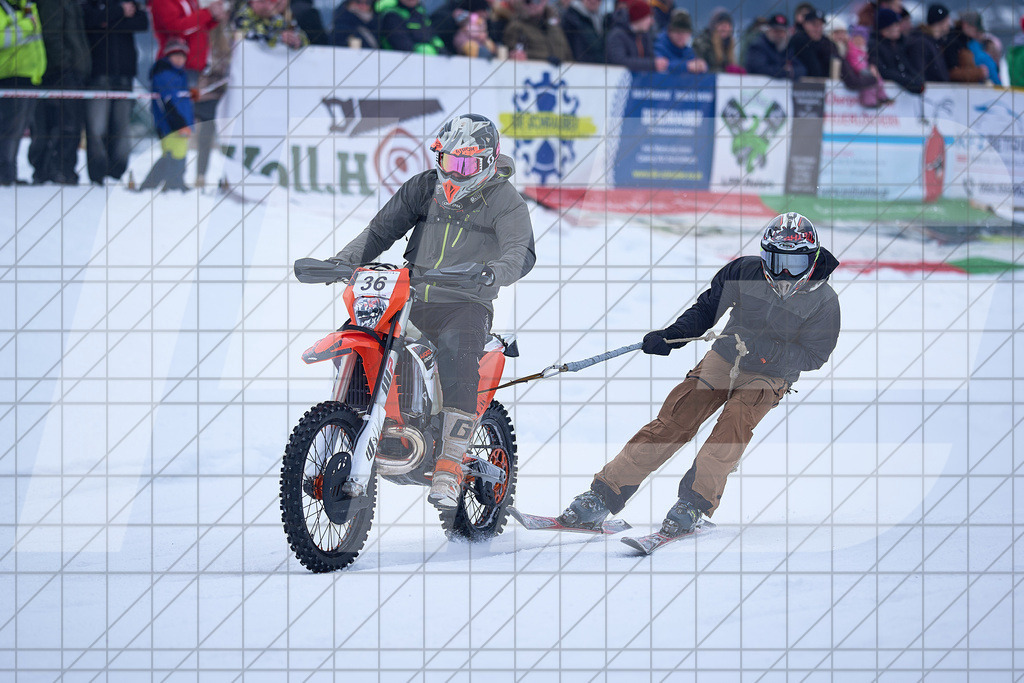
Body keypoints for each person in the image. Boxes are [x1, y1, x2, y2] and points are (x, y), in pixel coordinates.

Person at [558, 213, 841, 536]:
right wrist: (672, 335)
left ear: (812, 259)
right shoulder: (743, 272)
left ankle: (693, 503)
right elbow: (707, 310)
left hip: (771, 376)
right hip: (724, 357)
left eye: (794, 263)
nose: (785, 272)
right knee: (674, 421)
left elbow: (815, 355)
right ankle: (602, 495)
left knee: (731, 426)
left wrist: (768, 351)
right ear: (764, 257)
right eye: (777, 262)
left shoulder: (824, 302)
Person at [329, 114, 536, 510]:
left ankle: (449, 465)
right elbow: (379, 231)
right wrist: (343, 262)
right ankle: (354, 419)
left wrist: (493, 272)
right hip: (411, 293)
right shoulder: (424, 187)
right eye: (447, 161)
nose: (454, 172)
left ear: (488, 162)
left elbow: (520, 252)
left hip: (466, 300)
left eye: (466, 164)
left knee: (458, 355)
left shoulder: (505, 201)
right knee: (361, 333)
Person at [150, 0, 226, 187]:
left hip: (191, 69)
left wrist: (213, 18)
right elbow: (177, 27)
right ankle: (162, 182)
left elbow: (196, 25)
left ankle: (172, 179)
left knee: (183, 130)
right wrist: (208, 13)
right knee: (176, 126)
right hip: (175, 69)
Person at [81, 0, 148, 186]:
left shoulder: (129, 2)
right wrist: (120, 12)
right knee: (96, 128)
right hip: (98, 72)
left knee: (121, 127)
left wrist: (108, 19)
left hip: (125, 74)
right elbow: (89, 20)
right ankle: (98, 173)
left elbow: (142, 23)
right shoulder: (92, 4)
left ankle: (118, 173)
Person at [28, 0, 90, 185]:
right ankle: (54, 169)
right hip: (60, 71)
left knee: (68, 123)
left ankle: (61, 169)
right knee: (62, 123)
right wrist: (65, 64)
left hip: (71, 69)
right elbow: (51, 33)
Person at [0, 0, 46, 186]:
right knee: (9, 128)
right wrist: (27, 25)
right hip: (10, 75)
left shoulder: (27, 5)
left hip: (30, 75)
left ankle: (9, 171)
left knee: (18, 129)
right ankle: (5, 173)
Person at [138, 39, 192, 192]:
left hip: (181, 122)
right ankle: (161, 184)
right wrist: (179, 123)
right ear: (168, 56)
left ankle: (174, 182)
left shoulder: (179, 74)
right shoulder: (164, 74)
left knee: (177, 153)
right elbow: (167, 102)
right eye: (176, 55)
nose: (180, 59)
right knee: (172, 155)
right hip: (171, 123)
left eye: (183, 56)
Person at [870, 8, 924, 93]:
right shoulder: (874, 46)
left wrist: (918, 79)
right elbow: (883, 71)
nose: (898, 28)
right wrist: (908, 82)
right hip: (886, 94)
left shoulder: (898, 44)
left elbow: (906, 66)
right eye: (895, 25)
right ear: (885, 28)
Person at [502, 0, 573, 64]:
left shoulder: (555, 28)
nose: (532, 4)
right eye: (527, 1)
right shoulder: (515, 27)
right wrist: (546, 59)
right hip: (531, 75)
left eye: (536, 1)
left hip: (561, 76)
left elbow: (568, 56)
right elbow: (513, 57)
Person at [604, 0, 667, 72]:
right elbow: (619, 61)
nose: (652, 22)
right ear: (640, 18)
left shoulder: (644, 35)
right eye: (649, 17)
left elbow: (650, 57)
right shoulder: (617, 35)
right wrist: (652, 64)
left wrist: (658, 63)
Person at [745, 13, 805, 80]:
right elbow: (760, 69)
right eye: (776, 31)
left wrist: (791, 71)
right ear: (768, 31)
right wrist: (785, 72)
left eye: (782, 31)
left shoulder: (787, 48)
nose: (779, 35)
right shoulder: (757, 47)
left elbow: (801, 69)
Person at [843, 24, 890, 106]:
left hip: (865, 70)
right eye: (857, 38)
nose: (859, 41)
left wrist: (871, 68)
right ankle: (869, 101)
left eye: (862, 39)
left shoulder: (863, 50)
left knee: (878, 79)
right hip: (858, 72)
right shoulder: (852, 50)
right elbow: (854, 62)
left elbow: (866, 61)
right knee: (869, 84)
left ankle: (882, 96)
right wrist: (862, 70)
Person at [904, 3, 951, 83]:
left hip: (937, 91)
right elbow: (919, 72)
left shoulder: (934, 43)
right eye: (947, 20)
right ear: (941, 21)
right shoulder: (921, 43)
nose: (949, 24)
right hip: (930, 93)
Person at [377, 0, 445, 54]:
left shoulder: (421, 14)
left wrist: (441, 51)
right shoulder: (391, 16)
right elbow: (403, 45)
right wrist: (426, 50)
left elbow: (434, 37)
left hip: (425, 64)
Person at [234, 0, 310, 48]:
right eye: (261, 2)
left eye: (271, 1)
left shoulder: (278, 17)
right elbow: (250, 36)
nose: (267, 6)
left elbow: (304, 37)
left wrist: (297, 40)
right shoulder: (242, 16)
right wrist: (280, 38)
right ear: (251, 2)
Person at [942, 12, 990, 83]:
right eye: (976, 29)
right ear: (965, 25)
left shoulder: (964, 41)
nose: (977, 33)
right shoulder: (953, 42)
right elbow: (951, 72)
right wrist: (979, 72)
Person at [789, 7, 836, 78]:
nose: (818, 29)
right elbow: (814, 70)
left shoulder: (825, 42)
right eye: (814, 25)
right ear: (804, 24)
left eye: (820, 25)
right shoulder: (800, 40)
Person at [693, 8, 742, 73]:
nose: (724, 28)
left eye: (728, 25)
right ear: (714, 27)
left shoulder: (730, 47)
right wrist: (725, 71)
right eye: (721, 25)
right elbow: (701, 68)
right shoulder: (702, 44)